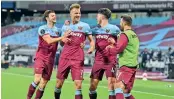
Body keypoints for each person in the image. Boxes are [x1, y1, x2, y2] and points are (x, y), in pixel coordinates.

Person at [54, 3, 95, 99]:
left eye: (79, 13)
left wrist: (91, 48)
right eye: (75, 13)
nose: (78, 15)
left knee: (78, 84)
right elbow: (61, 44)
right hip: (64, 58)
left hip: (77, 58)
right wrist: (62, 40)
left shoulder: (85, 26)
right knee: (59, 84)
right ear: (70, 13)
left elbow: (92, 41)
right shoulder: (64, 27)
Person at [27, 10, 70, 99]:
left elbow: (62, 44)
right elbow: (49, 40)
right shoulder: (42, 28)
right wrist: (62, 37)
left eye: (55, 15)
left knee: (43, 84)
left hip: (50, 59)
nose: (55, 17)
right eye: (52, 16)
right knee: (37, 79)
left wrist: (65, 32)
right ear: (47, 18)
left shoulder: (58, 31)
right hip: (41, 57)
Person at [89, 8, 120, 99]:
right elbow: (88, 37)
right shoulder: (95, 30)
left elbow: (122, 43)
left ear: (102, 16)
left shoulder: (115, 29)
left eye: (97, 15)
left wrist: (115, 42)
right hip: (98, 61)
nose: (96, 17)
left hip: (110, 61)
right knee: (92, 87)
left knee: (111, 86)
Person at [106, 15, 139, 99]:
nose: (120, 24)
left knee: (117, 87)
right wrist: (115, 43)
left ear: (124, 23)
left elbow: (119, 49)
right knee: (126, 93)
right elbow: (128, 48)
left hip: (126, 66)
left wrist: (109, 49)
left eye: (120, 22)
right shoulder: (134, 35)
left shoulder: (124, 34)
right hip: (133, 65)